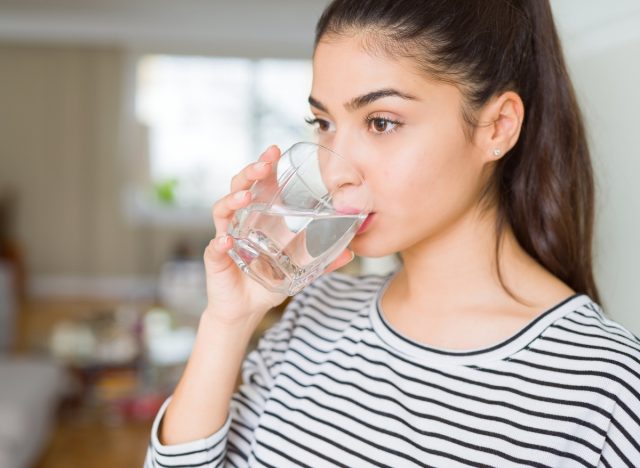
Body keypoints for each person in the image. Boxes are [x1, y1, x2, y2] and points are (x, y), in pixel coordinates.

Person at [144, 0, 640, 466]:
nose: (336, 172)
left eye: (381, 122)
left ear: (497, 127)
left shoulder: (607, 389)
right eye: (323, 122)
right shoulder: (316, 311)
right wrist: (227, 322)